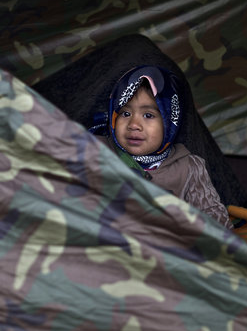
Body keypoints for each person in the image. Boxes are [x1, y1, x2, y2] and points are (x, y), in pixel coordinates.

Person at [90, 65, 232, 229]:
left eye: (148, 115)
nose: (134, 125)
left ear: (170, 121)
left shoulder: (189, 168)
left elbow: (212, 215)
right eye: (125, 113)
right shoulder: (96, 152)